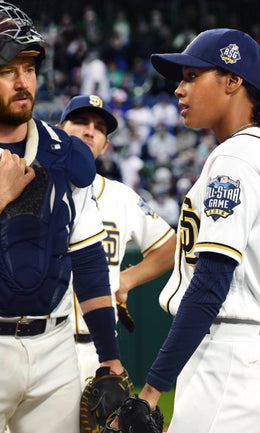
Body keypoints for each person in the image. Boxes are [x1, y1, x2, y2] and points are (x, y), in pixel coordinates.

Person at [0, 0, 124, 433]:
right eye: (6, 70)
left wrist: (110, 358)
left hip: (56, 349)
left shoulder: (65, 154)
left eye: (29, 68)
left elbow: (88, 262)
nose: (22, 82)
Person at [126, 28, 260, 432]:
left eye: (192, 76)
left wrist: (151, 389)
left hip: (232, 353)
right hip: (236, 351)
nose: (179, 89)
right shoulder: (259, 152)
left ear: (232, 81)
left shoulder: (237, 157)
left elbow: (210, 285)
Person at [58, 94, 176, 387]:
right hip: (41, 344)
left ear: (105, 145)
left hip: (96, 351)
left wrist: (124, 281)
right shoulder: (30, 184)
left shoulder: (120, 196)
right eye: (81, 122)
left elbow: (170, 247)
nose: (90, 131)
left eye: (99, 128)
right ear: (59, 131)